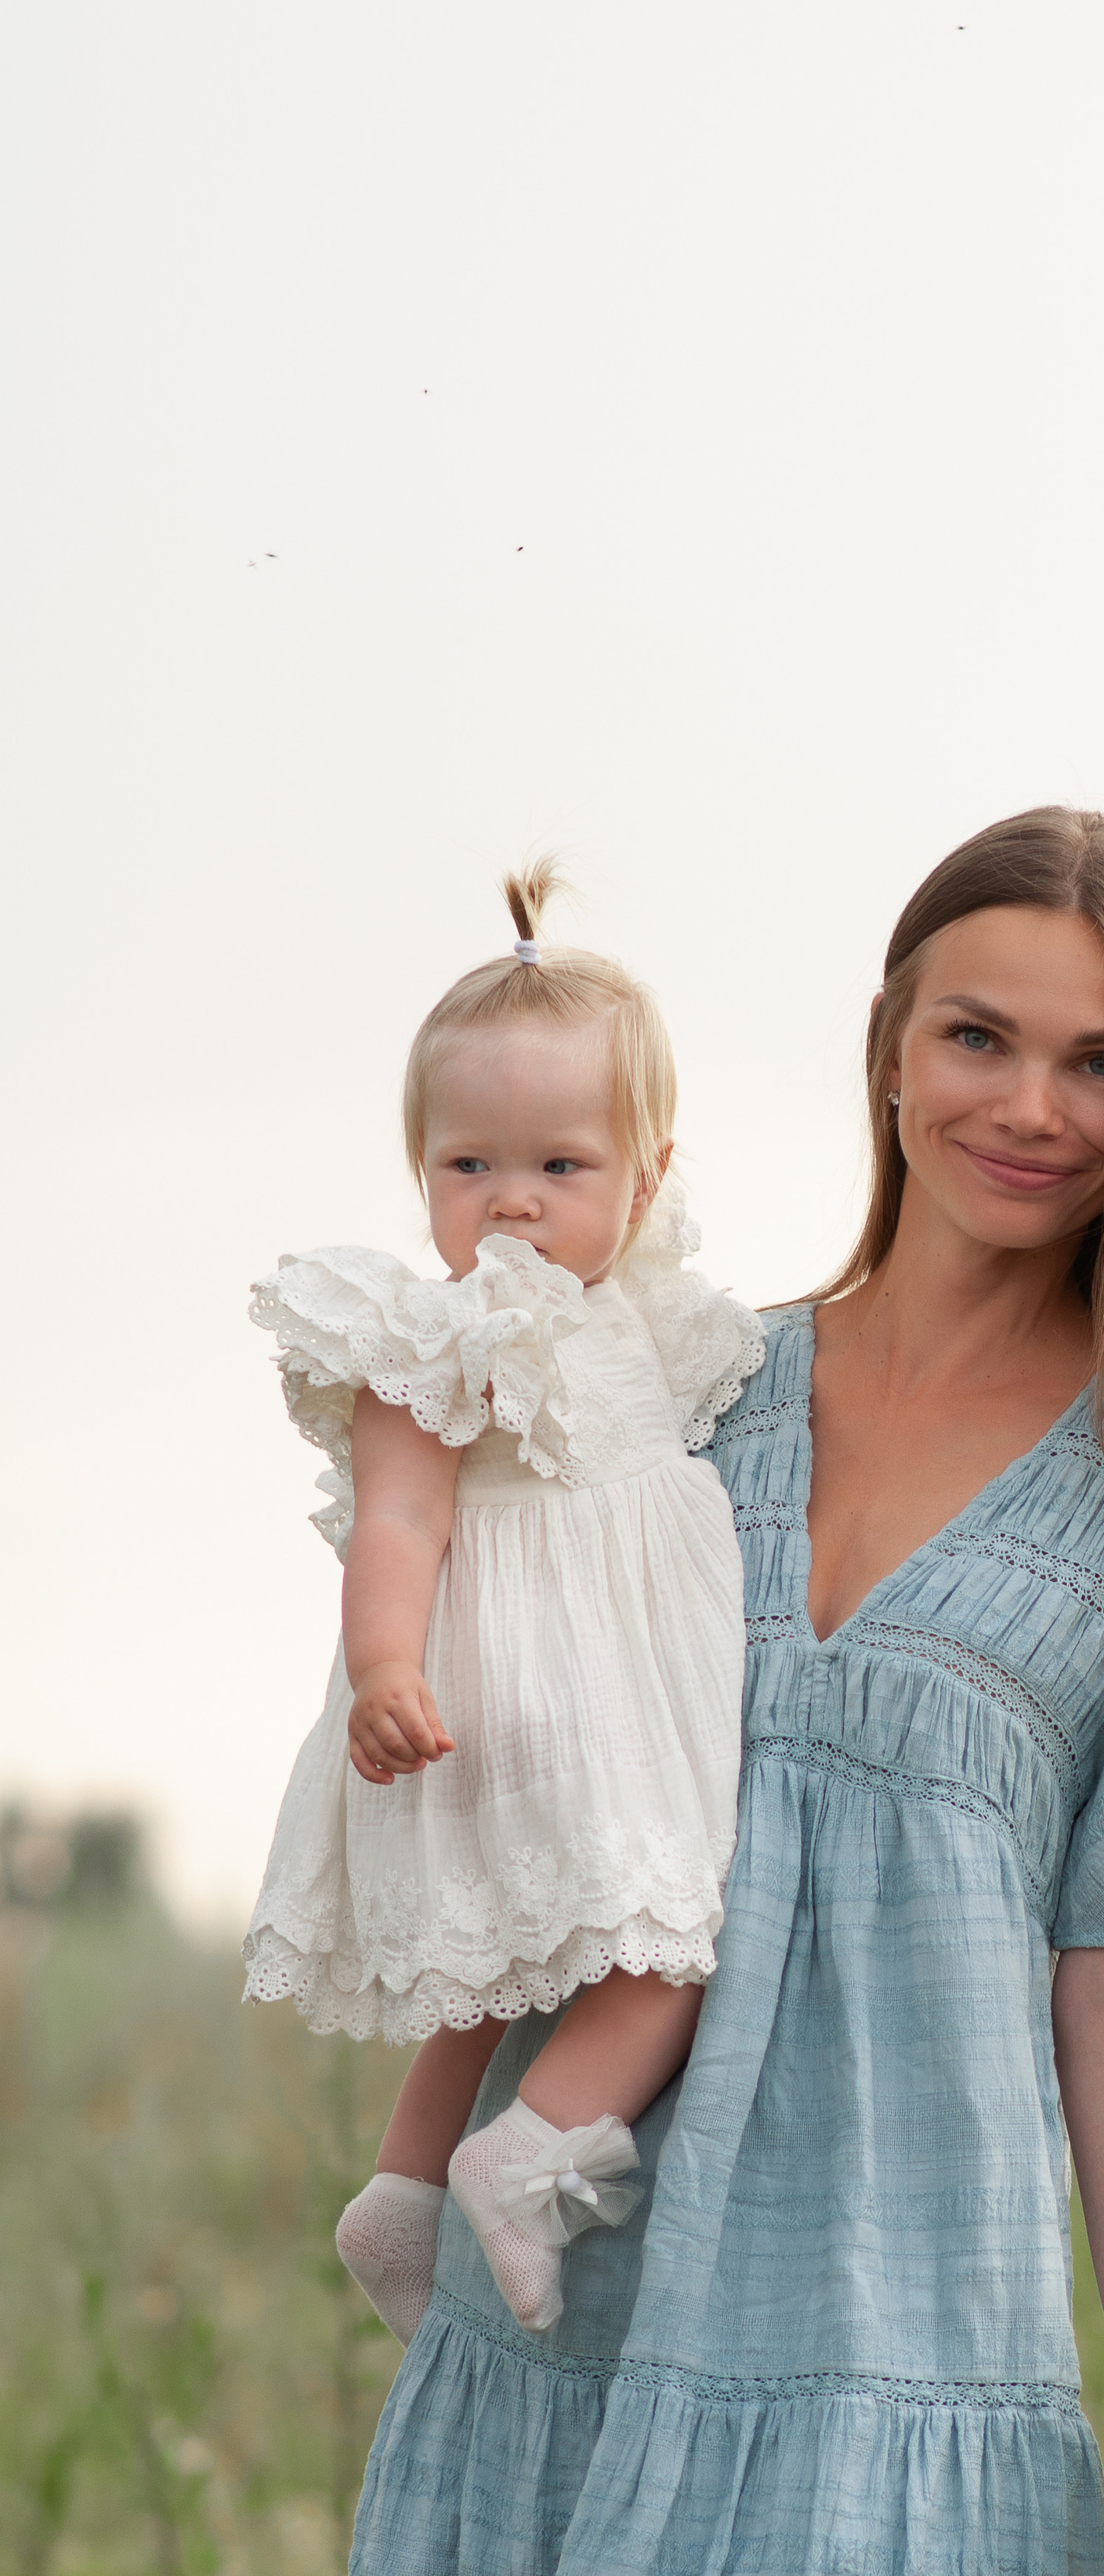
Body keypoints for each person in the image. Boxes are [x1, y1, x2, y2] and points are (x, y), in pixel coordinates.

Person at [328, 807, 1104, 2576]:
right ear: (889, 1046)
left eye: (1100, 1062)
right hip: (578, 2313)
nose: (1031, 1105)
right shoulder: (678, 1384)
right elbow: (480, 1723)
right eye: (980, 1034)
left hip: (887, 2363)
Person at [243, 864, 764, 2334]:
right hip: (514, 1698)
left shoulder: (652, 1323)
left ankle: (399, 2199)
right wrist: (384, 1662)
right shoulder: (435, 1332)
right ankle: (526, 2155)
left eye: (562, 1166)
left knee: (491, 1963)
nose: (514, 1200)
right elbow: (399, 1513)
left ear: (646, 1178)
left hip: (608, 1686)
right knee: (670, 1950)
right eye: (470, 1166)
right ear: (423, 1177)